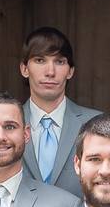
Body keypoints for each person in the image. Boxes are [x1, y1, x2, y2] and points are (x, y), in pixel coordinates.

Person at [19, 27, 103, 197]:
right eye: (40, 60)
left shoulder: (96, 123)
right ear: (24, 69)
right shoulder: (4, 125)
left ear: (70, 71)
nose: (50, 72)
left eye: (59, 62)